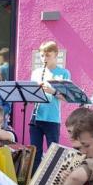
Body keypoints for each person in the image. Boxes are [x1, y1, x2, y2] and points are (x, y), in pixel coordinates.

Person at [31, 41, 71, 170]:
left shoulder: (64, 73)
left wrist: (53, 91)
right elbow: (31, 95)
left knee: (53, 153)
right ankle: (32, 182)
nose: (44, 58)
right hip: (36, 118)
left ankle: (49, 183)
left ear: (56, 55)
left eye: (48, 55)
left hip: (52, 118)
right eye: (42, 55)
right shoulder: (36, 72)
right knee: (35, 153)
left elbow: (66, 97)